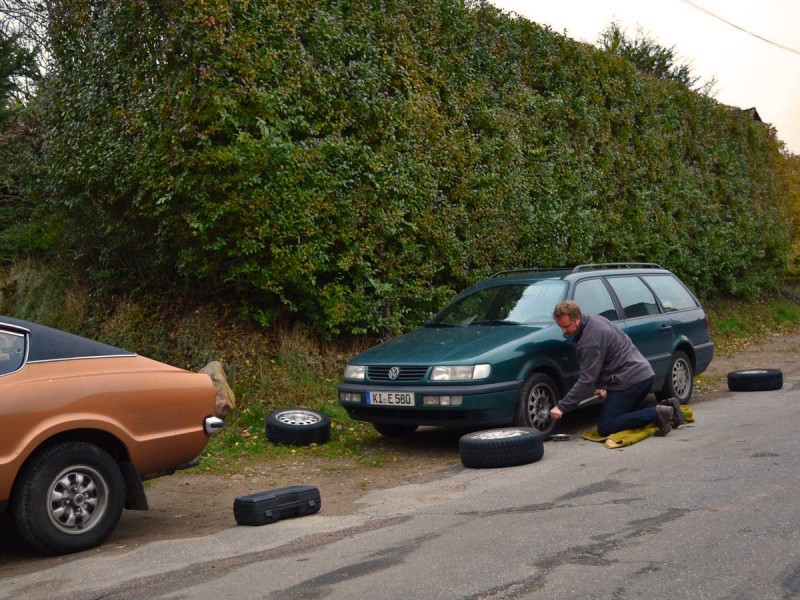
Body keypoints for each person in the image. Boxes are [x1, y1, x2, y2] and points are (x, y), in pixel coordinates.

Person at [550, 300, 682, 437]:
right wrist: (601, 386)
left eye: (566, 326)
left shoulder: (589, 341)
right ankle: (669, 408)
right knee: (624, 414)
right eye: (561, 327)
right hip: (643, 374)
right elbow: (604, 358)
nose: (564, 331)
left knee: (607, 426)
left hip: (630, 381)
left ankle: (657, 413)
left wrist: (562, 407)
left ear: (577, 318)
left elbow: (586, 380)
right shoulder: (594, 320)